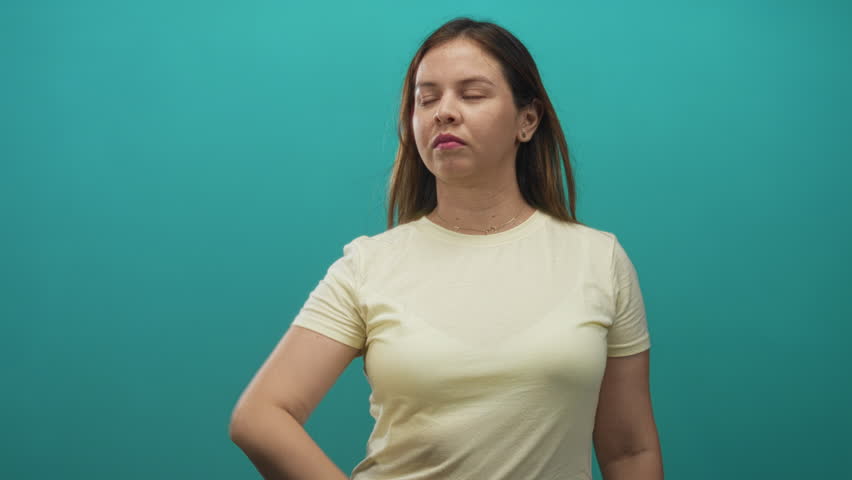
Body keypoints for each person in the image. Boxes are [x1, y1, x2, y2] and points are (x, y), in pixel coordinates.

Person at [229, 17, 663, 480]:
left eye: (472, 94)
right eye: (427, 98)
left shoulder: (599, 259)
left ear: (527, 119)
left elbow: (629, 451)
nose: (444, 112)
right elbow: (259, 416)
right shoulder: (367, 266)